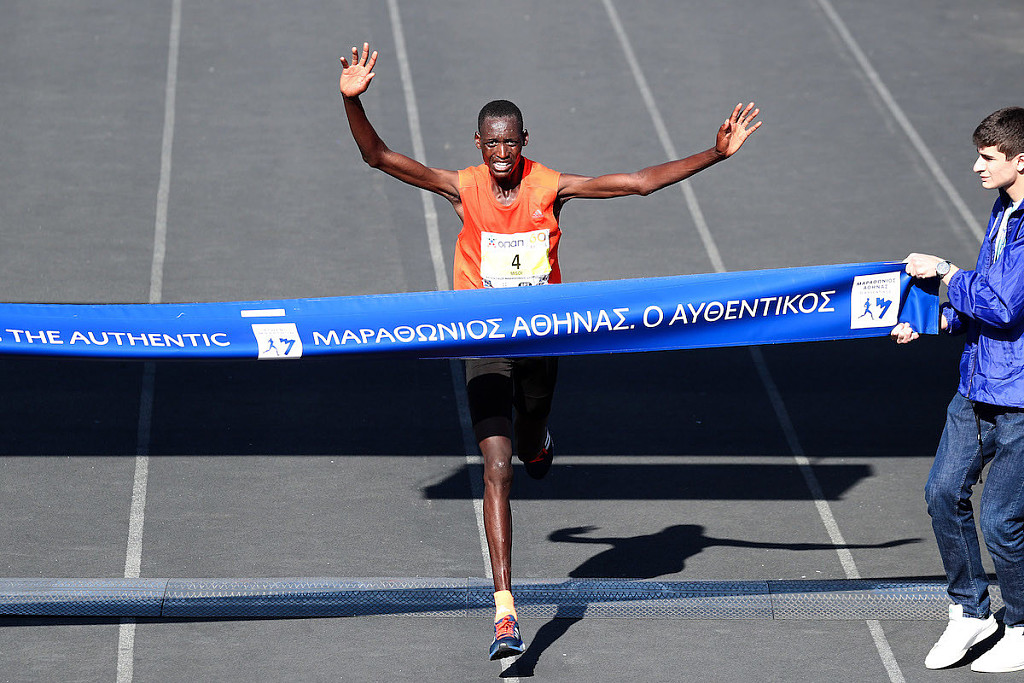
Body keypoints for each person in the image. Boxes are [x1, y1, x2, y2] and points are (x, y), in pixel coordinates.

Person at [339, 42, 762, 660]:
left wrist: (715, 154)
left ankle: (538, 439)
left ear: (524, 142)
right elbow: (378, 157)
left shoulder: (551, 186)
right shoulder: (462, 187)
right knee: (498, 468)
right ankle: (505, 611)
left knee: (531, 443)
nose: (502, 154)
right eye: (492, 144)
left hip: (542, 338)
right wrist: (352, 102)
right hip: (483, 341)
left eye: (511, 143)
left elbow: (638, 184)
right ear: (478, 144)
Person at [893, 106, 1024, 673]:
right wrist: (937, 320)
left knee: (1001, 521)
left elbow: (1003, 304)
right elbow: (988, 300)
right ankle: (970, 610)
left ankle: (1021, 624)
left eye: (988, 157)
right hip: (979, 384)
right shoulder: (1004, 209)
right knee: (942, 494)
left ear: (1022, 160)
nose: (976, 166)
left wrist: (945, 272)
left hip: (1020, 399)